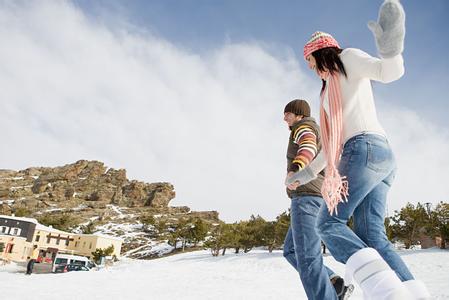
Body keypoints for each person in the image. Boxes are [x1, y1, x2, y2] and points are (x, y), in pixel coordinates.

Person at [286, 1, 430, 299]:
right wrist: (306, 173)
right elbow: (328, 147)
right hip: (380, 156)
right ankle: (412, 293)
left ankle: (387, 294)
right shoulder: (328, 91)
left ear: (318, 53)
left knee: (328, 223)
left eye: (309, 61)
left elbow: (387, 72)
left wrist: (391, 48)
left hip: (363, 149)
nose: (310, 68)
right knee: (372, 235)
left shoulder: (347, 59)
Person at [282, 99, 353, 300]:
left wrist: (295, 170)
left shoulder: (303, 127)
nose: (285, 117)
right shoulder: (312, 128)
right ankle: (333, 281)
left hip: (306, 197)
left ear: (299, 114)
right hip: (313, 197)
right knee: (291, 250)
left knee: (307, 258)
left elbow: (308, 147)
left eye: (288, 113)